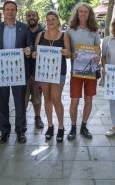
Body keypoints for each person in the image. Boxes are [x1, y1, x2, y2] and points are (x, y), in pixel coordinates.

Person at [0, 0, 32, 144]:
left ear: (16, 11)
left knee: (20, 103)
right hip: (1, 71)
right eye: (7, 9)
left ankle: (20, 132)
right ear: (3, 11)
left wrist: (29, 50)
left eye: (13, 9)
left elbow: (30, 45)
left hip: (18, 71)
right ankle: (4, 131)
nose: (10, 12)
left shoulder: (24, 28)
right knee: (2, 102)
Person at [33, 11, 71, 142]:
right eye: (48, 20)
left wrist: (67, 52)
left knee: (56, 99)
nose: (50, 22)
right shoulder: (40, 35)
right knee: (47, 98)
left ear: (58, 21)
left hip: (58, 71)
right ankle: (50, 126)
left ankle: (61, 127)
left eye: (53, 19)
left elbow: (68, 54)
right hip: (44, 71)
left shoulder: (63, 36)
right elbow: (35, 52)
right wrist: (34, 54)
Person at [66, 3, 101, 140]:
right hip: (76, 72)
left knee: (88, 99)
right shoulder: (70, 30)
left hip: (91, 71)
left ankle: (84, 126)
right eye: (80, 11)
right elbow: (67, 50)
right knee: (74, 101)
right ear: (77, 13)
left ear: (89, 14)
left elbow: (98, 49)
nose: (83, 14)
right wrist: (70, 54)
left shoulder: (94, 30)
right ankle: (73, 127)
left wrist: (98, 57)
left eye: (86, 12)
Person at [25, 10, 45, 130]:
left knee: (37, 98)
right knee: (24, 98)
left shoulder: (44, 32)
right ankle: (23, 119)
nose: (31, 17)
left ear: (38, 17)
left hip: (39, 70)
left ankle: (38, 118)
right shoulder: (22, 31)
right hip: (24, 70)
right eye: (29, 16)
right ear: (26, 18)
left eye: (33, 15)